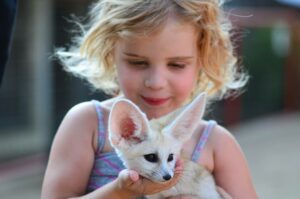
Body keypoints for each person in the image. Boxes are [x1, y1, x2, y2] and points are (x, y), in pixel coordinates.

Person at [42, 0, 259, 198]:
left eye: (176, 65)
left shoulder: (216, 143)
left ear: (202, 59)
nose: (156, 82)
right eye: (138, 63)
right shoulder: (87, 124)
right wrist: (120, 191)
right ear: (110, 53)